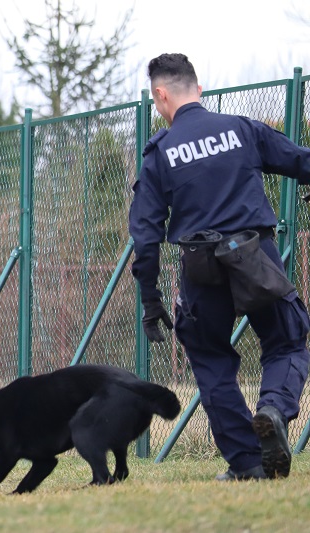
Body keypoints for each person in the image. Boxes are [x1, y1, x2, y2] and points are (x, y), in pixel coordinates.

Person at [129, 53, 310, 482]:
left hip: (200, 270)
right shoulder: (241, 129)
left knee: (211, 362)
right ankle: (274, 407)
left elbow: (146, 237)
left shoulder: (160, 154)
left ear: (161, 94)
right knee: (287, 340)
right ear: (199, 89)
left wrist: (151, 300)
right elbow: (300, 160)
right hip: (255, 255)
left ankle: (247, 463)